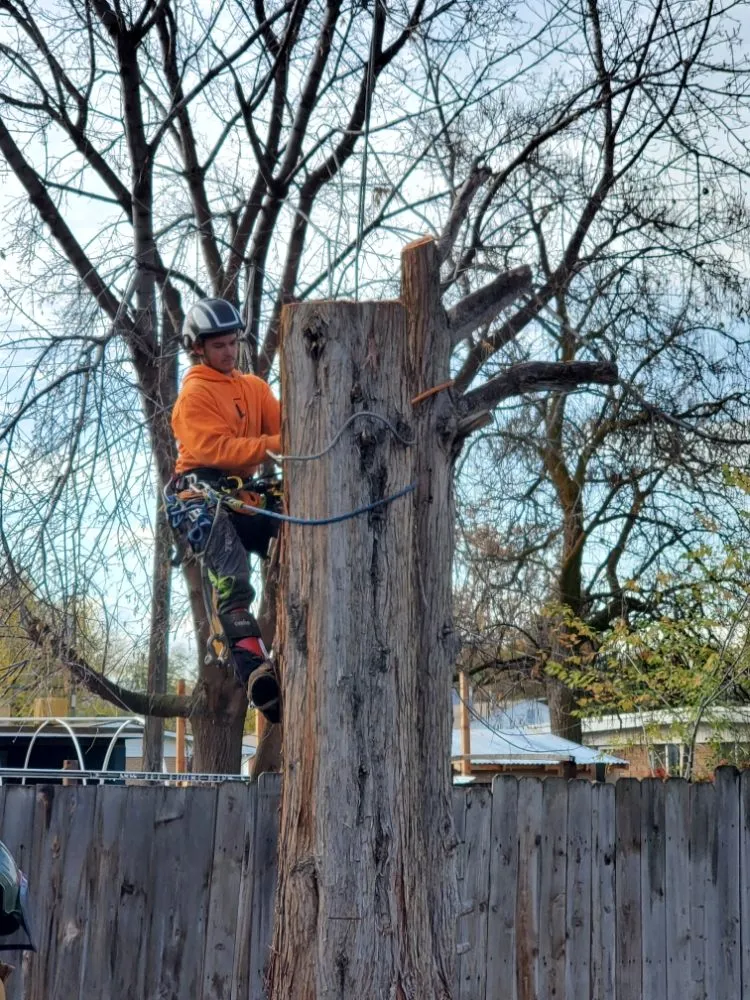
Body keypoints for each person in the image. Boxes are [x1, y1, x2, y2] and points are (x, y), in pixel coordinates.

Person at [170, 297, 282, 723]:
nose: (229, 352)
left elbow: (282, 425)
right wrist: (270, 445)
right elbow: (217, 450)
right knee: (232, 574)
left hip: (244, 492)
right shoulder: (193, 396)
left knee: (294, 525)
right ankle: (256, 673)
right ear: (198, 348)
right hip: (201, 496)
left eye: (232, 343)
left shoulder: (253, 388)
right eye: (219, 346)